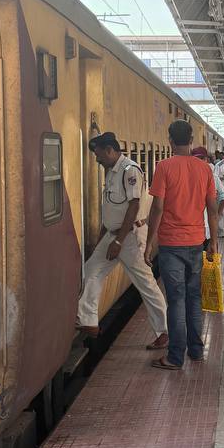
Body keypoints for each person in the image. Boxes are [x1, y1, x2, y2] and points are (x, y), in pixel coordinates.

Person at [76, 132, 168, 351]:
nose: (97, 160)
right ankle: (89, 321)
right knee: (91, 270)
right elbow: (110, 208)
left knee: (145, 284)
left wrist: (118, 242)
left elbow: (134, 206)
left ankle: (164, 332)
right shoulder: (111, 172)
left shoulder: (129, 170)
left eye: (99, 155)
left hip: (130, 237)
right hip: (112, 235)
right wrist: (103, 238)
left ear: (110, 150)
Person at [144, 120, 218, 370]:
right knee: (194, 299)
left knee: (176, 299)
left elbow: (157, 208)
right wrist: (214, 241)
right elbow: (212, 209)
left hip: (171, 244)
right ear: (191, 140)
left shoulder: (163, 167)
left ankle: (175, 357)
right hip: (197, 241)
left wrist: (148, 243)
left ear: (170, 141)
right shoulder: (205, 169)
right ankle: (196, 351)